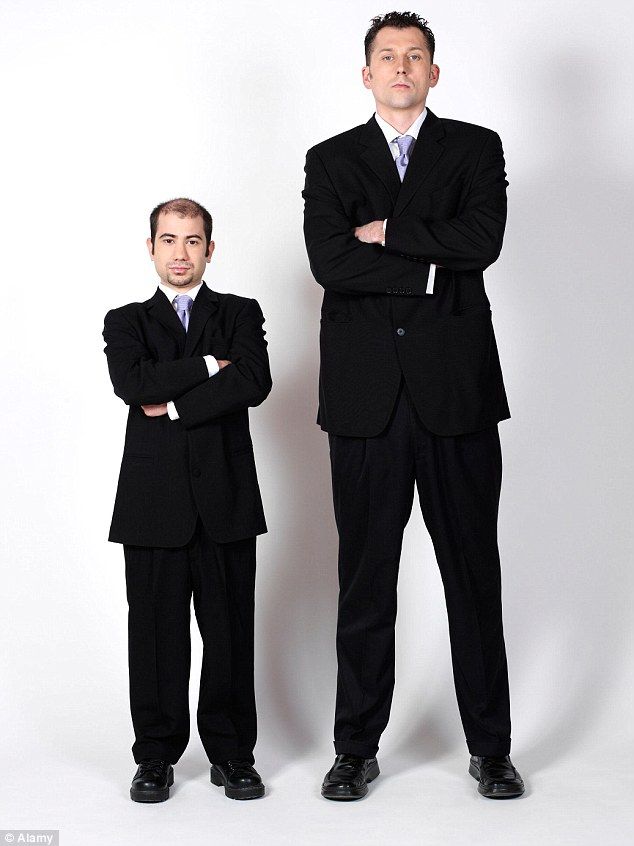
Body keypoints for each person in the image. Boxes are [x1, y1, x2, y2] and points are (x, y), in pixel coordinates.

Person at [302, 12, 524, 800]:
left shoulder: (476, 147)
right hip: (365, 404)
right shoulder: (329, 160)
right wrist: (430, 270)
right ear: (366, 75)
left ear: (435, 72)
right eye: (387, 57)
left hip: (456, 397)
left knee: (474, 577)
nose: (402, 67)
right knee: (366, 582)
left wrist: (390, 231)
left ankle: (490, 748)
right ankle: (354, 748)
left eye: (415, 56)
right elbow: (329, 260)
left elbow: (484, 239)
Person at [103, 198, 271, 802]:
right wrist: (206, 364)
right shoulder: (125, 322)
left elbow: (254, 381)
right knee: (153, 635)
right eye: (169, 240)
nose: (180, 252)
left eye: (193, 240)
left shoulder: (239, 313)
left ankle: (233, 755)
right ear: (150, 247)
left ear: (210, 248)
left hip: (225, 499)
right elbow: (132, 384)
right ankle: (154, 756)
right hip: (152, 504)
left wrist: (173, 404)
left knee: (231, 633)